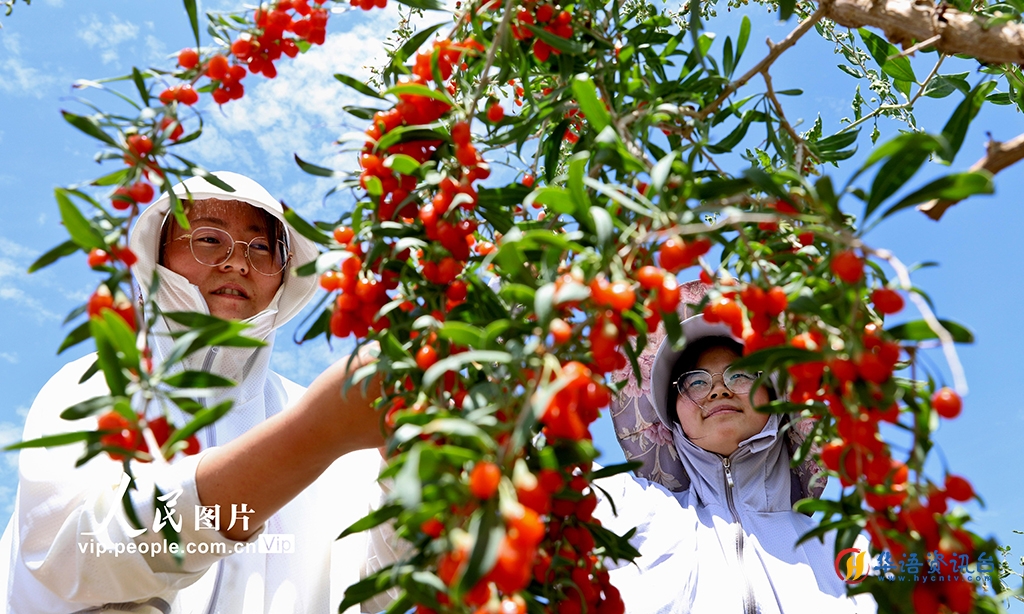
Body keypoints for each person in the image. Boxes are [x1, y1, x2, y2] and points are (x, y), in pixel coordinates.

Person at [0, 172, 392, 613]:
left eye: (261, 247)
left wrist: (400, 471)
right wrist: (311, 437)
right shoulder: (103, 388)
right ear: (157, 258)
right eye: (208, 238)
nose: (238, 263)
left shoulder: (335, 422)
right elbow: (77, 554)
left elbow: (375, 590)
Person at [595, 313, 876, 613]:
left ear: (776, 397)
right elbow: (545, 469)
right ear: (673, 418)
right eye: (696, 381)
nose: (719, 390)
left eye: (741, 373)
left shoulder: (845, 551)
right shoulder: (630, 511)